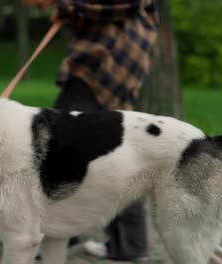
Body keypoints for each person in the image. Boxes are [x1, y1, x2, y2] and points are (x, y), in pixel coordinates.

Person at [22, 0, 159, 261]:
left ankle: (63, 234)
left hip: (101, 69)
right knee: (113, 158)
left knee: (57, 148)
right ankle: (129, 244)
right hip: (107, 70)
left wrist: (63, 5)